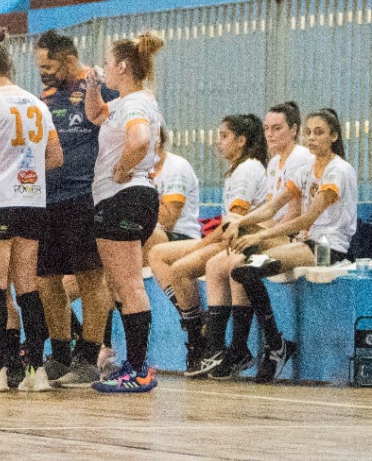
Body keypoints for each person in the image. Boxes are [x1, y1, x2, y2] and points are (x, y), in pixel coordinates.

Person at [0, 28, 63, 392]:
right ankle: (36, 371)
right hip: (31, 203)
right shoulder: (38, 104)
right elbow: (56, 157)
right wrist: (23, 169)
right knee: (28, 288)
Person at [227, 108, 357, 382]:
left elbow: (307, 218)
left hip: (330, 247)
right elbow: (272, 206)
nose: (312, 138)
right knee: (243, 269)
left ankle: (275, 346)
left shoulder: (338, 170)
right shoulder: (307, 168)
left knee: (249, 269)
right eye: (308, 133)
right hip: (308, 243)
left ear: (334, 136)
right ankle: (276, 343)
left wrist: (259, 237)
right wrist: (241, 222)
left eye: (319, 133)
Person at [193, 103, 309, 379]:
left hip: (296, 237)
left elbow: (293, 215)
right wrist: (246, 227)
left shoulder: (300, 158)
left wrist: (256, 233)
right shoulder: (274, 163)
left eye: (277, 128)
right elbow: (270, 209)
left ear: (294, 130)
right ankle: (224, 347)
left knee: (235, 258)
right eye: (267, 128)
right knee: (219, 264)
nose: (270, 134)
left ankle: (244, 346)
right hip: (276, 233)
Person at [151, 114, 268, 373]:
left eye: (224, 136)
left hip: (240, 242)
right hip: (228, 239)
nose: (218, 142)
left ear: (241, 141)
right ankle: (195, 324)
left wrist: (200, 246)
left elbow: (234, 225)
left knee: (180, 268)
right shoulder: (238, 170)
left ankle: (203, 341)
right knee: (157, 254)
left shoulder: (247, 170)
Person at [33, 30, 117, 389]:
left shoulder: (101, 86)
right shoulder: (46, 95)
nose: (43, 73)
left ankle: (88, 355)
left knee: (90, 277)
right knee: (46, 279)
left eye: (48, 66)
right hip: (47, 199)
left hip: (84, 196)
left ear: (69, 59)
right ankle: (60, 353)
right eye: (39, 67)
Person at [85, 32, 165, 393]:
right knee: (120, 283)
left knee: (129, 285)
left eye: (107, 63)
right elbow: (95, 114)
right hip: (123, 199)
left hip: (125, 197)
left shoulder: (134, 104)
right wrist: (93, 88)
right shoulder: (121, 103)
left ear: (122, 67)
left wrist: (121, 168)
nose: (103, 68)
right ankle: (134, 365)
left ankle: (138, 369)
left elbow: (140, 140)